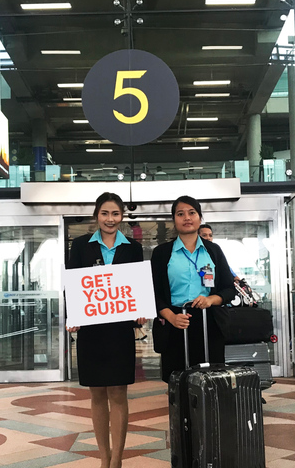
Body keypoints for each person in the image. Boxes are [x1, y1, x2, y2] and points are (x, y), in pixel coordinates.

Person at [66, 192, 146, 468]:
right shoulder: (79, 246)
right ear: (96, 215)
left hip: (120, 331)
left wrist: (140, 310)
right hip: (91, 330)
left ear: (122, 216)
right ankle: (104, 457)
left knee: (118, 394)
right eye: (105, 213)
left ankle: (117, 460)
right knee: (96, 393)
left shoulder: (133, 248)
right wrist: (73, 313)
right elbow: (73, 284)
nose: (110, 219)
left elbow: (137, 288)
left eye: (115, 214)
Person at [151, 196, 236, 382]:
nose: (187, 218)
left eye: (192, 213)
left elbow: (230, 289)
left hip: (209, 322)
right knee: (177, 383)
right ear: (174, 219)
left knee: (211, 382)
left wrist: (211, 299)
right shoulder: (162, 253)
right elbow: (153, 293)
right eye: (180, 214)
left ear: (199, 217)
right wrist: (171, 316)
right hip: (175, 322)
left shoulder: (213, 250)